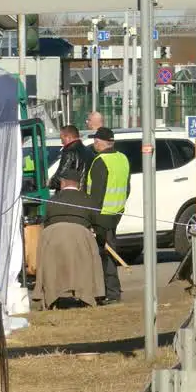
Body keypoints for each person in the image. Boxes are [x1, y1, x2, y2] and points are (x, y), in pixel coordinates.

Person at [31, 167, 106, 310]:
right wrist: (99, 239)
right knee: (91, 252)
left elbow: (45, 222)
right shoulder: (88, 200)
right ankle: (91, 295)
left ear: (63, 183)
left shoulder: (52, 200)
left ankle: (52, 297)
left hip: (53, 240)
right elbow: (98, 225)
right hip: (80, 238)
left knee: (53, 262)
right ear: (79, 184)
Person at [84, 127, 129, 304]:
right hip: (115, 213)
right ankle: (109, 291)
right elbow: (127, 187)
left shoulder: (100, 161)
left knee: (105, 256)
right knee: (107, 253)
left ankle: (111, 293)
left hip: (101, 215)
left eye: (97, 140)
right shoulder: (122, 158)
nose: (95, 143)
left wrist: (91, 218)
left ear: (104, 142)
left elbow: (97, 194)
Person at [49, 125, 92, 193]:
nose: (61, 142)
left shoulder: (69, 152)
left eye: (62, 138)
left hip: (70, 193)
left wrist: (50, 183)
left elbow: (61, 177)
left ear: (68, 137)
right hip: (85, 194)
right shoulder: (89, 152)